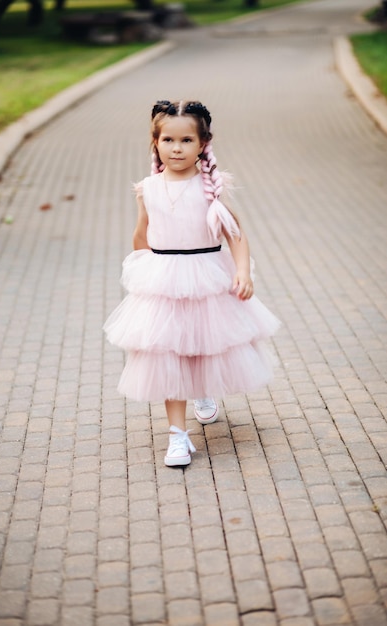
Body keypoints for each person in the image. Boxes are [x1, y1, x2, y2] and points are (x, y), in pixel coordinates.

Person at [103, 99, 280, 467]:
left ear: (202, 144)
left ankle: (202, 392)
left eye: (186, 140)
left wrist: (242, 271)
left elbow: (236, 236)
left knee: (202, 343)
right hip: (165, 277)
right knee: (170, 352)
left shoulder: (210, 188)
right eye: (168, 140)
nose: (177, 148)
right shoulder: (147, 189)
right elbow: (142, 234)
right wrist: (144, 271)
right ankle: (178, 436)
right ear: (156, 143)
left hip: (206, 276)